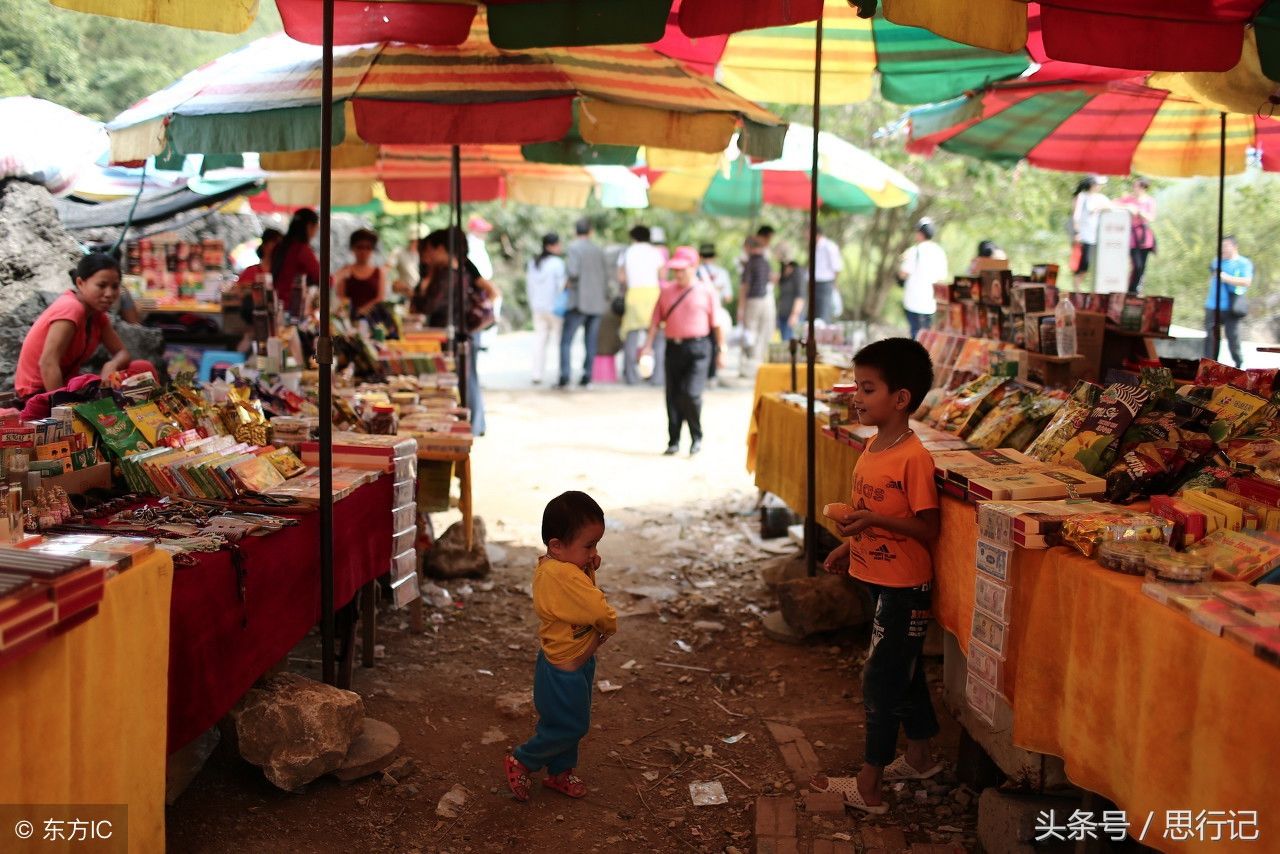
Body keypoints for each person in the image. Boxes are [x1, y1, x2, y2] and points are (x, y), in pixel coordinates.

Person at [811, 337, 942, 815]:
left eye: (867, 389)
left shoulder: (914, 457)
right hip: (877, 575)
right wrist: (851, 543)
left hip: (905, 586)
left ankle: (870, 785)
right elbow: (873, 510)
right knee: (901, 670)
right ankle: (922, 755)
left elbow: (927, 527)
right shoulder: (873, 447)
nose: (856, 397)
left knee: (880, 681)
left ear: (900, 398)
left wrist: (872, 524)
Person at [504, 490, 616, 803]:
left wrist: (587, 564)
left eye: (596, 545)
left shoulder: (558, 566)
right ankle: (524, 760)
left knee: (565, 718)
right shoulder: (564, 575)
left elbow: (580, 591)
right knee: (573, 724)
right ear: (557, 545)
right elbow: (597, 608)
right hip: (564, 667)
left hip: (574, 658)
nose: (594, 552)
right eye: (589, 545)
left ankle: (559, 773)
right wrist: (609, 626)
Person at [15, 253, 156, 400]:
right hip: (39, 393)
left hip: (67, 387)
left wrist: (111, 365)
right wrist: (62, 409)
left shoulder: (96, 315)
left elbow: (122, 353)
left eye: (114, 287)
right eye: (101, 285)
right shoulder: (71, 308)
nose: (109, 293)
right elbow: (48, 363)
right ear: (80, 283)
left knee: (141, 368)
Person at [414, 227, 500, 435]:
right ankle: (474, 425)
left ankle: (469, 426)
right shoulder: (459, 270)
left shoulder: (451, 273)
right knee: (467, 379)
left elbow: (426, 306)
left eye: (430, 250)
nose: (428, 256)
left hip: (454, 335)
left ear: (442, 248)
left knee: (462, 382)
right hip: (461, 333)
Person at [640, 246, 723, 456]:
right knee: (673, 395)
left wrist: (721, 350)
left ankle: (697, 437)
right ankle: (674, 440)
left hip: (699, 347)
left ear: (694, 268)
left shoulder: (706, 291)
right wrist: (647, 347)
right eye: (675, 270)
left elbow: (717, 324)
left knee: (692, 394)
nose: (678, 274)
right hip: (673, 347)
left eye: (682, 269)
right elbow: (655, 321)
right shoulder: (667, 291)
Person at [561, 219, 610, 389]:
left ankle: (565, 377)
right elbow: (606, 277)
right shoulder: (598, 249)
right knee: (591, 341)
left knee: (566, 341)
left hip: (578, 302)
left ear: (576, 231)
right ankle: (587, 377)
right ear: (590, 232)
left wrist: (567, 282)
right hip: (597, 303)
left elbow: (573, 272)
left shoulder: (574, 248)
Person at [618, 225, 665, 385]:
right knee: (658, 337)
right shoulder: (655, 252)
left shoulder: (627, 252)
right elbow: (663, 275)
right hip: (653, 294)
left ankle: (631, 377)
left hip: (634, 295)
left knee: (631, 337)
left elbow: (622, 278)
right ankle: (658, 377)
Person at [1204, 235, 1253, 368]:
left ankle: (1238, 364)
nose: (1223, 249)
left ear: (1234, 246)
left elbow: (1246, 281)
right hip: (1213, 305)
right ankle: (1209, 366)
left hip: (1231, 306)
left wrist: (1226, 278)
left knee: (1233, 338)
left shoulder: (1243, 263)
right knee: (1211, 338)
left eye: (1226, 246)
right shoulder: (1216, 261)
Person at [234, 228, 283, 352]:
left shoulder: (283, 274)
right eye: (276, 244)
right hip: (253, 327)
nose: (279, 248)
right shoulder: (251, 271)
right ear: (266, 246)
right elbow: (237, 293)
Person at [527, 233, 566, 385]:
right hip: (555, 308)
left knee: (540, 341)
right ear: (551, 246)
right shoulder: (557, 263)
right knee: (560, 341)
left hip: (538, 307)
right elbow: (561, 286)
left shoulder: (534, 263)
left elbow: (530, 286)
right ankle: (562, 373)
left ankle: (537, 374)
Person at [897, 219, 947, 338]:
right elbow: (942, 278)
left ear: (920, 233)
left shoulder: (914, 251)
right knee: (926, 335)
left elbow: (903, 273)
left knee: (916, 333)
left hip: (914, 301)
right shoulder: (939, 251)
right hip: (930, 302)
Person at [271, 208, 321, 315]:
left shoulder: (279, 246)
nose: (316, 232)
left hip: (275, 305)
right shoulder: (302, 250)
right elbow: (321, 278)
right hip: (293, 309)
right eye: (316, 228)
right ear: (309, 226)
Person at [738, 236, 775, 376]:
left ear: (748, 247)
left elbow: (744, 286)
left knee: (749, 333)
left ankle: (749, 367)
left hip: (753, 301)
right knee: (762, 334)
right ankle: (758, 365)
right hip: (766, 301)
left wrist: (741, 308)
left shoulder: (750, 263)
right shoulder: (766, 262)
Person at [696, 243, 733, 385]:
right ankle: (712, 375)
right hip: (717, 311)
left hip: (699, 313)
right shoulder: (722, 273)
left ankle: (702, 374)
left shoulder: (695, 271)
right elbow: (728, 297)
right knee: (716, 342)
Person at [334, 228, 386, 322]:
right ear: (353, 248)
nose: (363, 251)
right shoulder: (345, 271)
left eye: (368, 248)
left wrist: (363, 310)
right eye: (360, 247)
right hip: (349, 320)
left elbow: (380, 298)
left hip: (374, 321)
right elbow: (340, 297)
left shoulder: (379, 272)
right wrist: (354, 312)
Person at [1071, 176, 1111, 288]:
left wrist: (1099, 208)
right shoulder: (1082, 197)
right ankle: (1076, 288)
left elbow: (1110, 206)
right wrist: (1076, 232)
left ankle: (1078, 287)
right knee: (1082, 263)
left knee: (1088, 264)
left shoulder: (1100, 198)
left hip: (1094, 236)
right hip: (1082, 235)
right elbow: (1076, 216)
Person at [1118, 177, 1157, 294]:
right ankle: (1130, 290)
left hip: (1144, 236)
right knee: (1135, 264)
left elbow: (1151, 217)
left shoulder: (1150, 201)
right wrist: (1128, 208)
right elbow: (1114, 204)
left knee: (1141, 267)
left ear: (1143, 188)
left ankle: (1135, 290)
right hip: (1130, 236)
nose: (1134, 188)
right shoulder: (1128, 199)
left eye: (1136, 186)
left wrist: (1139, 212)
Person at [814, 226, 844, 322]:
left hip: (825, 284)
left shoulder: (829, 246)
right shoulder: (815, 246)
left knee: (824, 314)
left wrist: (834, 283)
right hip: (815, 284)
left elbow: (837, 267)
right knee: (815, 314)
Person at [776, 259, 806, 342]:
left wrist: (795, 314)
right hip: (783, 315)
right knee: (784, 342)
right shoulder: (784, 274)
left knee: (792, 342)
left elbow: (800, 295)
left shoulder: (798, 272)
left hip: (793, 315)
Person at [466, 214, 495, 281]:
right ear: (474, 231)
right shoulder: (472, 245)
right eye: (482, 231)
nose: (485, 233)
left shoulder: (478, 243)